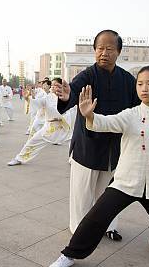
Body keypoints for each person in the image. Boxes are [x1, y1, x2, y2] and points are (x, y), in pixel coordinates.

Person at [47, 66, 149, 267]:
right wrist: (90, 116)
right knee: (95, 219)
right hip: (126, 180)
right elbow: (106, 122)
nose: (144, 88)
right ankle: (69, 255)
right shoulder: (131, 115)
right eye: (140, 84)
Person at [55, 30, 141, 239]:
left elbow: (138, 108)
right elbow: (72, 93)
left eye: (110, 49)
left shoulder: (127, 79)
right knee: (81, 193)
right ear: (94, 51)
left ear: (118, 52)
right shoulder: (87, 75)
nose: (104, 53)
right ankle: (79, 230)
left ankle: (109, 227)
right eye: (100, 48)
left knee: (108, 193)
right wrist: (68, 96)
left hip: (114, 147)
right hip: (88, 145)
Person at [8, 78, 76, 166]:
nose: (53, 87)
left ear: (61, 86)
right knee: (33, 141)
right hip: (50, 128)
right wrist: (28, 99)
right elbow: (37, 102)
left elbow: (73, 111)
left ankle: (73, 159)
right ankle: (19, 158)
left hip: (65, 128)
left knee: (74, 143)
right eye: (52, 85)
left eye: (55, 85)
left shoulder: (68, 97)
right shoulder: (47, 98)